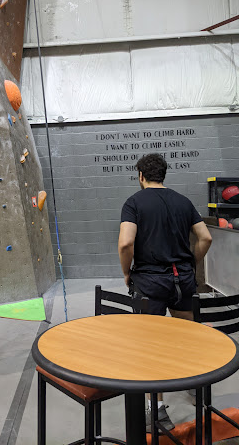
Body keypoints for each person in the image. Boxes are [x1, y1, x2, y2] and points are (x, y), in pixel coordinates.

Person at [118, 153, 212, 431]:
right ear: (164, 175)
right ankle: (196, 389)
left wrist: (126, 273)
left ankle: (157, 412)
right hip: (182, 279)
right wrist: (190, 264)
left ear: (141, 176)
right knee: (190, 334)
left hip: (150, 283)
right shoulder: (183, 201)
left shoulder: (134, 202)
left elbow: (126, 244)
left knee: (151, 346)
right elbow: (205, 237)